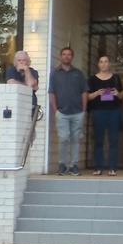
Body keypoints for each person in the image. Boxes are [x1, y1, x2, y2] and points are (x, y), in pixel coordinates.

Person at [49, 46, 86, 176]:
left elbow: (84, 92)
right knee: (63, 138)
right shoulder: (55, 73)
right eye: (64, 54)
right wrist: (55, 110)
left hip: (77, 112)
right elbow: (51, 93)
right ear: (60, 56)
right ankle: (62, 164)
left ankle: (74, 165)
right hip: (62, 113)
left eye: (69, 54)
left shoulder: (78, 73)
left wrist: (84, 110)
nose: (66, 56)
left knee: (76, 139)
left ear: (72, 57)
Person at [87, 54, 123, 176]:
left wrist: (117, 93)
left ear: (109, 64)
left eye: (106, 61)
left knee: (113, 140)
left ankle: (112, 167)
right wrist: (97, 93)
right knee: (98, 140)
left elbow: (122, 96)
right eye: (101, 62)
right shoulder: (92, 79)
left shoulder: (116, 78)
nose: (104, 64)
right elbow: (88, 96)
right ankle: (98, 167)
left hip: (114, 111)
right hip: (98, 111)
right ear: (98, 64)